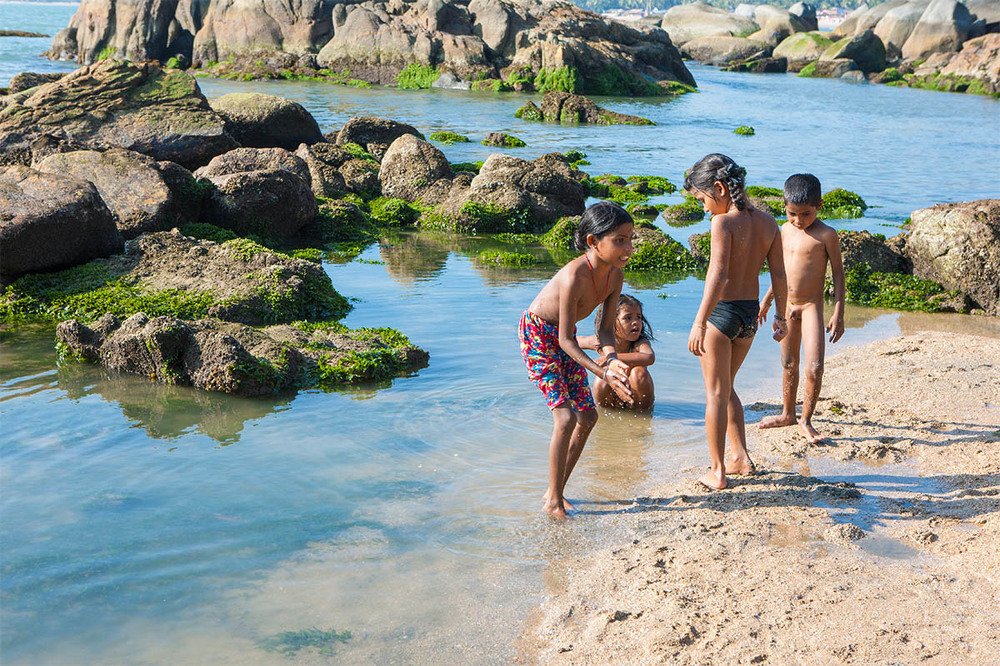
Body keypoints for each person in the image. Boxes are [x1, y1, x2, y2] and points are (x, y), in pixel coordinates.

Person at [519, 201, 635, 518]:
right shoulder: (574, 276)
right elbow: (564, 341)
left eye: (630, 238)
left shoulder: (615, 276)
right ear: (593, 242)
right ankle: (554, 501)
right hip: (539, 334)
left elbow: (605, 331)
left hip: (564, 334)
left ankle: (555, 492)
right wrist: (601, 370)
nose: (629, 248)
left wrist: (611, 361)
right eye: (620, 240)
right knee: (566, 418)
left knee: (588, 417)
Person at [685, 154, 788, 491]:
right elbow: (780, 276)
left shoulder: (722, 223)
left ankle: (717, 471)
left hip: (722, 314)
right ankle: (740, 456)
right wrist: (779, 315)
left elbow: (718, 275)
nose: (703, 209)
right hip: (748, 318)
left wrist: (700, 321)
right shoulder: (769, 223)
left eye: (702, 199)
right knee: (726, 387)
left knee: (715, 393)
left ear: (719, 188)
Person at [758, 173, 845, 443]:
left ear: (819, 206)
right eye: (792, 213)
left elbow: (839, 275)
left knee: (815, 366)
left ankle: (806, 420)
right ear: (784, 207)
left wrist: (839, 313)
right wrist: (768, 300)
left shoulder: (826, 235)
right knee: (788, 363)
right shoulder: (782, 231)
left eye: (805, 214)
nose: (798, 220)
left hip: (811, 307)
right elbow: (780, 272)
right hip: (786, 306)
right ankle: (787, 414)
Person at [577, 294, 656, 410]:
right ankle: (604, 416)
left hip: (637, 395)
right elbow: (571, 341)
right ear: (610, 322)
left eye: (638, 317)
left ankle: (642, 417)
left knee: (638, 373)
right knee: (602, 377)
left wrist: (611, 358)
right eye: (628, 318)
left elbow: (649, 357)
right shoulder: (600, 342)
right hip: (611, 393)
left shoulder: (640, 342)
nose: (635, 322)